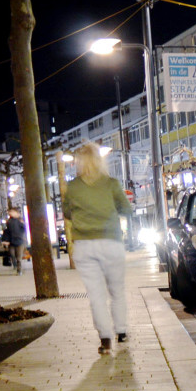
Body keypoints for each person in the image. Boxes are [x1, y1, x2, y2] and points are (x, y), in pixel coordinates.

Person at [64, 142, 133, 353]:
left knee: (96, 295)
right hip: (111, 242)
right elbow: (126, 209)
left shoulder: (73, 187)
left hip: (84, 245)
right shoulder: (110, 184)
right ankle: (121, 330)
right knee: (117, 291)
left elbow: (67, 212)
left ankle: (105, 339)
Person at [2, 210, 26, 275]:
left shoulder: (19, 220)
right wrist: (6, 240)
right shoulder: (9, 221)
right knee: (12, 255)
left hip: (19, 241)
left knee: (18, 257)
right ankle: (16, 266)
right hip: (12, 241)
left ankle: (19, 270)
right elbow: (7, 231)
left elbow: (24, 228)